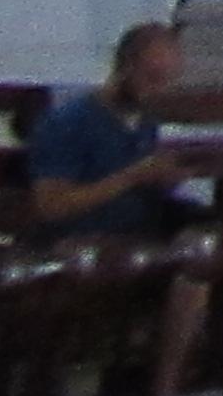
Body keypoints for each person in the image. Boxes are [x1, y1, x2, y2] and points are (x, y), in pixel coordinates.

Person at [25, 21, 203, 237]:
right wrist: (132, 177)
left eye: (167, 81)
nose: (159, 91)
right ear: (125, 67)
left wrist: (162, 180)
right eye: (152, 78)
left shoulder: (145, 120)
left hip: (137, 237)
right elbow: (52, 206)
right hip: (80, 242)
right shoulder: (68, 122)